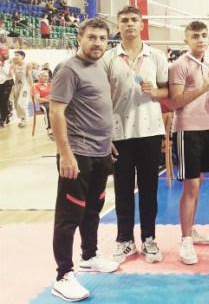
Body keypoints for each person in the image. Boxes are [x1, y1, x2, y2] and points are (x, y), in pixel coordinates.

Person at [50, 18, 118, 302]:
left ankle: (89, 256)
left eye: (102, 38)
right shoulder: (68, 69)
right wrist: (66, 154)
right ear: (80, 38)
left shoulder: (99, 66)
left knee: (93, 209)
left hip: (100, 153)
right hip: (77, 154)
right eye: (92, 37)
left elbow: (95, 108)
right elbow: (56, 112)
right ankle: (63, 276)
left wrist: (108, 141)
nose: (97, 43)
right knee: (69, 216)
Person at [102, 5, 169, 264]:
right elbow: (101, 98)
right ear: (118, 26)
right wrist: (105, 135)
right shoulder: (108, 58)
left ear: (141, 24)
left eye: (133, 19)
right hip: (119, 133)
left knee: (149, 189)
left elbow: (167, 91)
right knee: (123, 189)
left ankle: (149, 239)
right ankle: (124, 241)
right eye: (124, 20)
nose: (129, 24)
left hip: (150, 131)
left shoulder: (156, 56)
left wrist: (156, 92)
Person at [168, 21, 209, 265]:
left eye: (204, 35)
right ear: (186, 40)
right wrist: (202, 89)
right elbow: (175, 102)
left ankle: (191, 231)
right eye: (195, 36)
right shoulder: (179, 65)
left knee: (198, 184)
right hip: (187, 130)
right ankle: (185, 239)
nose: (200, 39)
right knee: (190, 186)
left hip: (208, 127)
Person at [32, 70, 54, 140]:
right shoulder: (36, 86)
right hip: (43, 104)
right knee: (48, 108)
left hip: (52, 102)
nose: (46, 78)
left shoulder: (50, 84)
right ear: (39, 76)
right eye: (44, 76)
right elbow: (38, 99)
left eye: (47, 76)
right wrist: (48, 100)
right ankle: (49, 129)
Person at [12, 50, 31, 128]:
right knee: (17, 104)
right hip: (17, 85)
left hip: (24, 86)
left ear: (22, 56)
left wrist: (33, 87)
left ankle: (24, 119)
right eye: (15, 55)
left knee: (21, 102)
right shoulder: (14, 65)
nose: (15, 56)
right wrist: (12, 64)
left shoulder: (27, 65)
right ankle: (22, 119)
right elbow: (10, 74)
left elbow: (30, 77)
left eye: (17, 55)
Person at [0, 46, 14, 128]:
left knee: (3, 102)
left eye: (8, 52)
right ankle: (8, 112)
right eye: (5, 52)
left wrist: (4, 66)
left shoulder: (9, 62)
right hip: (0, 82)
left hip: (7, 83)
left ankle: (3, 119)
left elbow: (10, 74)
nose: (7, 54)